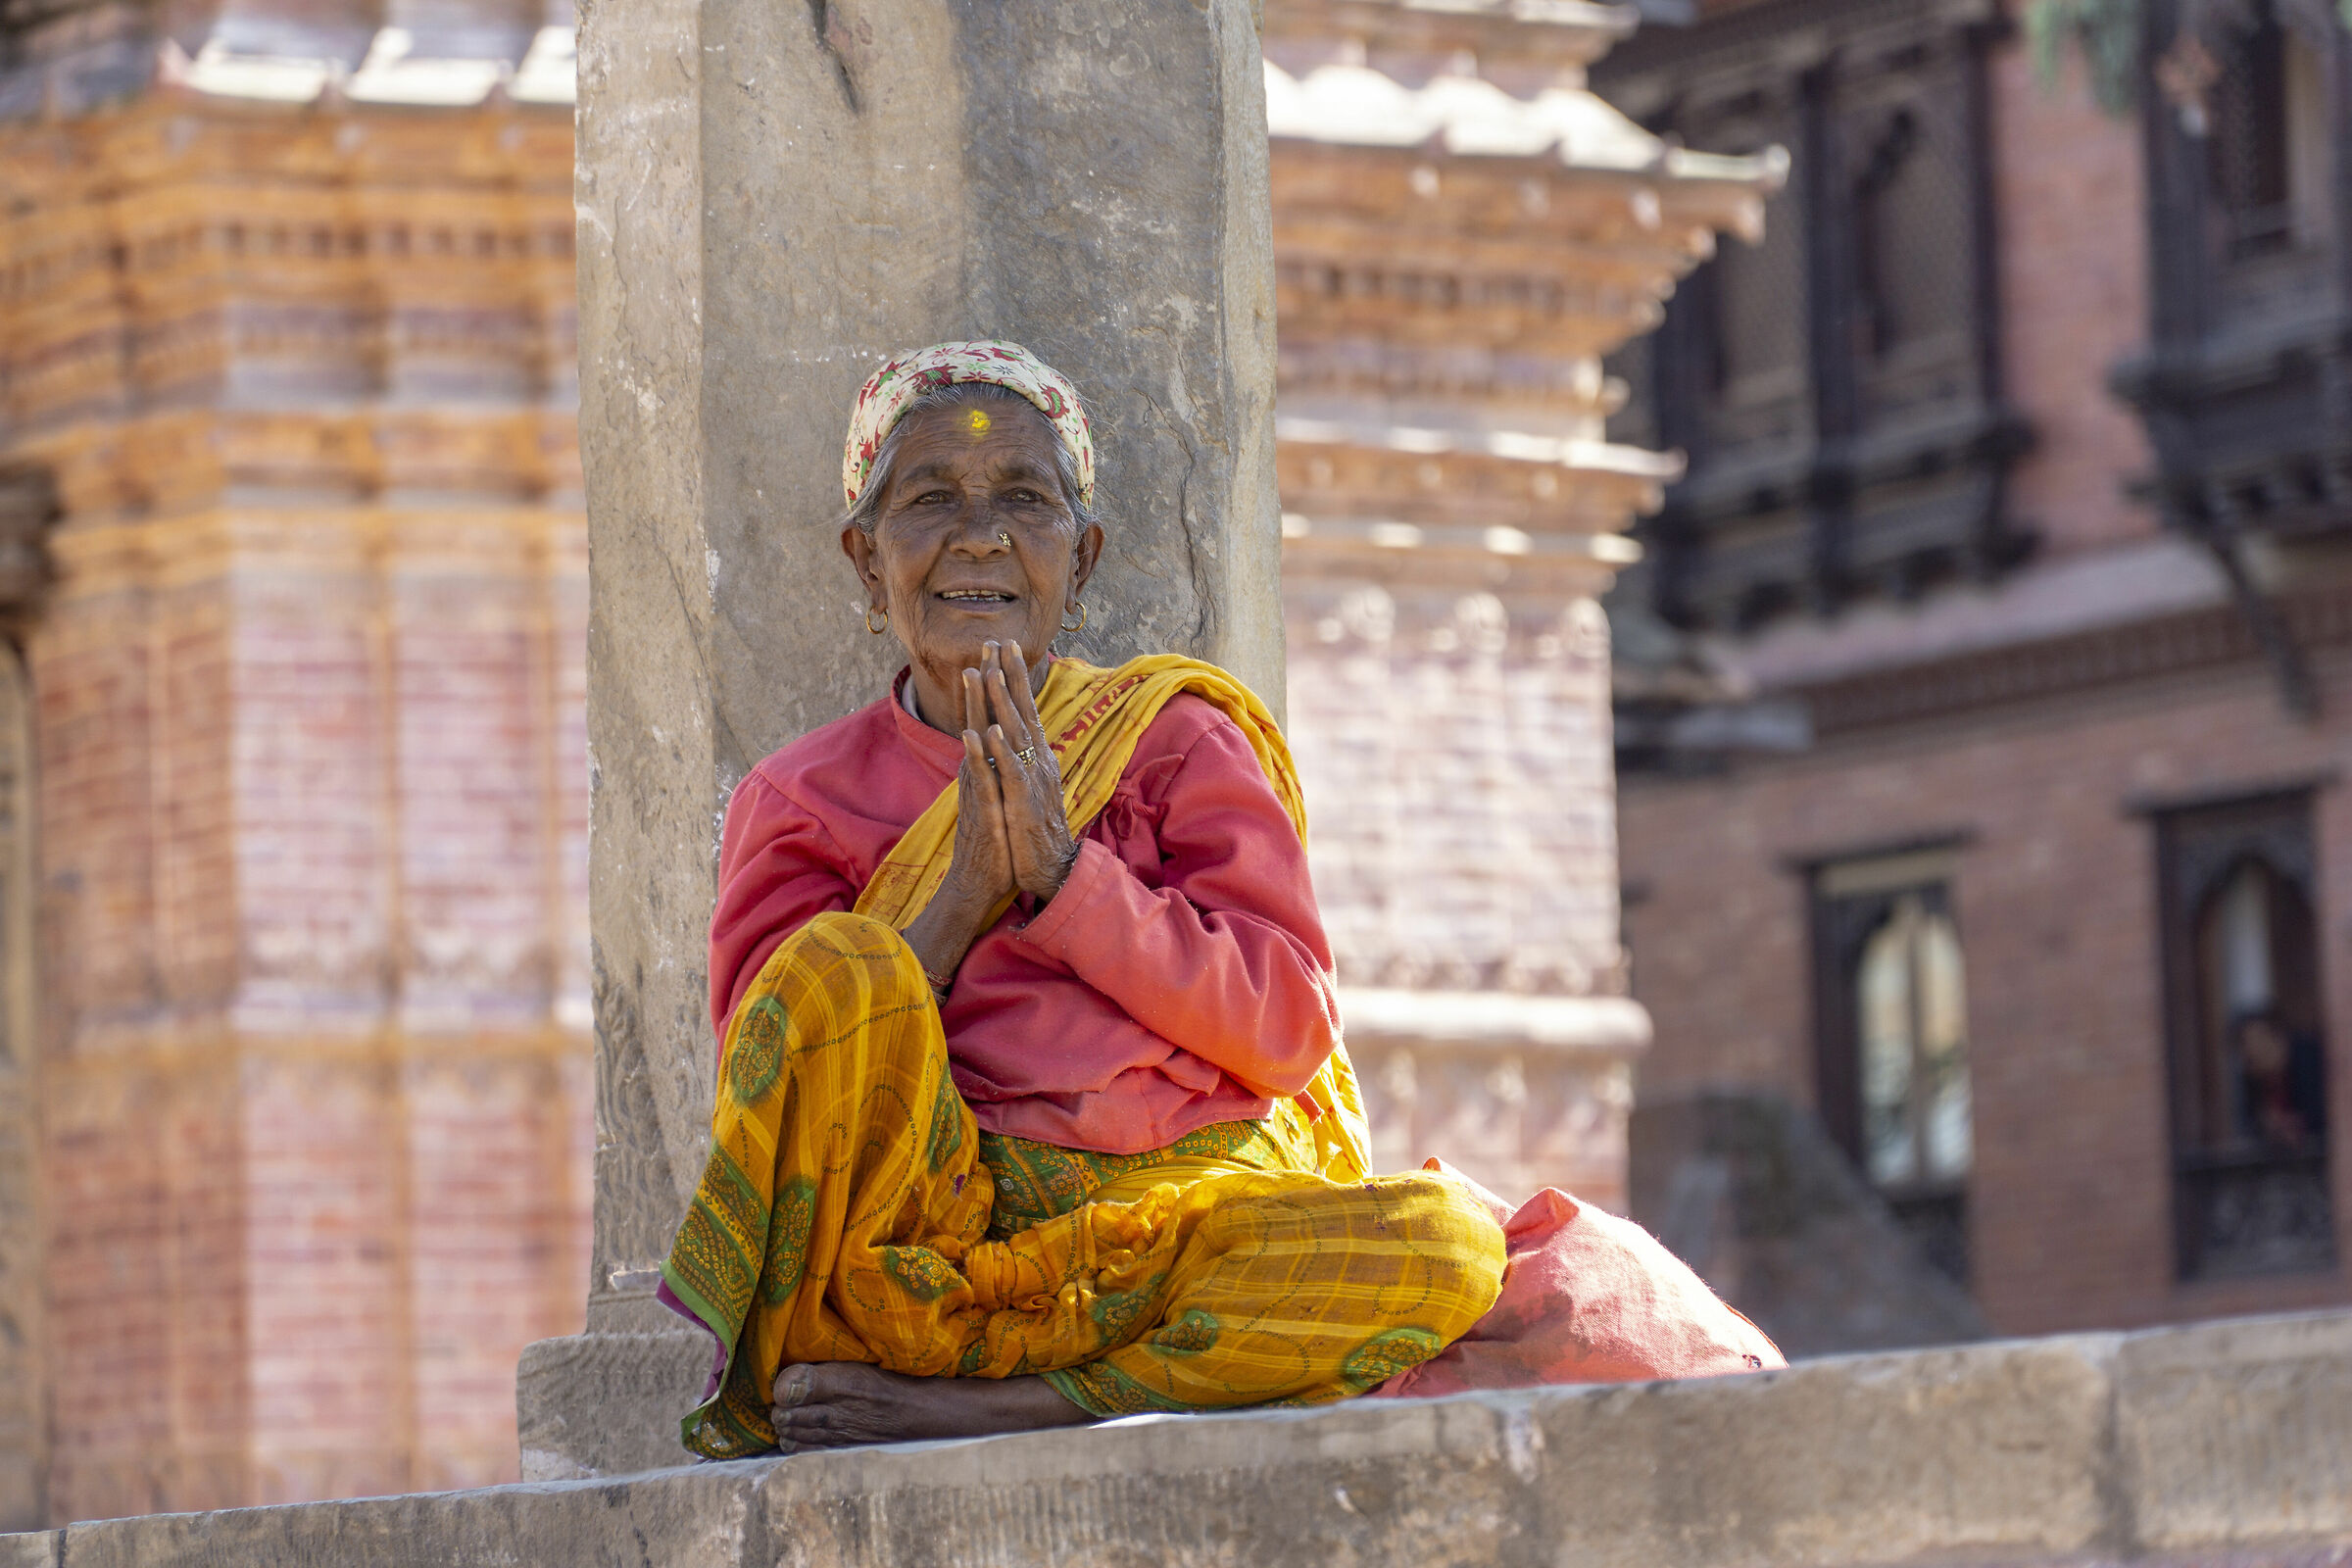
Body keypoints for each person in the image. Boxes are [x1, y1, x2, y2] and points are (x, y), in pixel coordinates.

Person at [660, 341, 1511, 1459]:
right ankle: (1031, 1380)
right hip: (930, 1264)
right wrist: (961, 898)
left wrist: (1068, 879)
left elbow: (1287, 1029)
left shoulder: (1174, 739)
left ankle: (1024, 1405)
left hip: (1190, 1236)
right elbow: (774, 1091)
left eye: (1025, 498)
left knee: (1448, 1245)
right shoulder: (799, 799)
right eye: (931, 500)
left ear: (1084, 555)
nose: (982, 536)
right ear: (868, 562)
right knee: (834, 971)